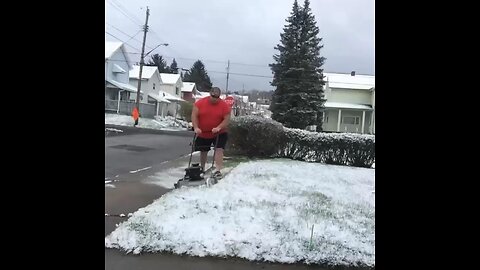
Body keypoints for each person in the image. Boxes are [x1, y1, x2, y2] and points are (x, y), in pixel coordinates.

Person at [191, 87, 231, 178]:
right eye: (213, 97)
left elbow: (227, 119)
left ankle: (218, 170)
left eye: (216, 97)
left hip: (219, 132)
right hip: (203, 131)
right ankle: (202, 168)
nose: (214, 99)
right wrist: (196, 127)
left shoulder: (224, 106)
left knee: (219, 149)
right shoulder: (200, 103)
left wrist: (219, 127)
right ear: (210, 94)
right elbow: (194, 116)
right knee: (203, 150)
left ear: (219, 97)